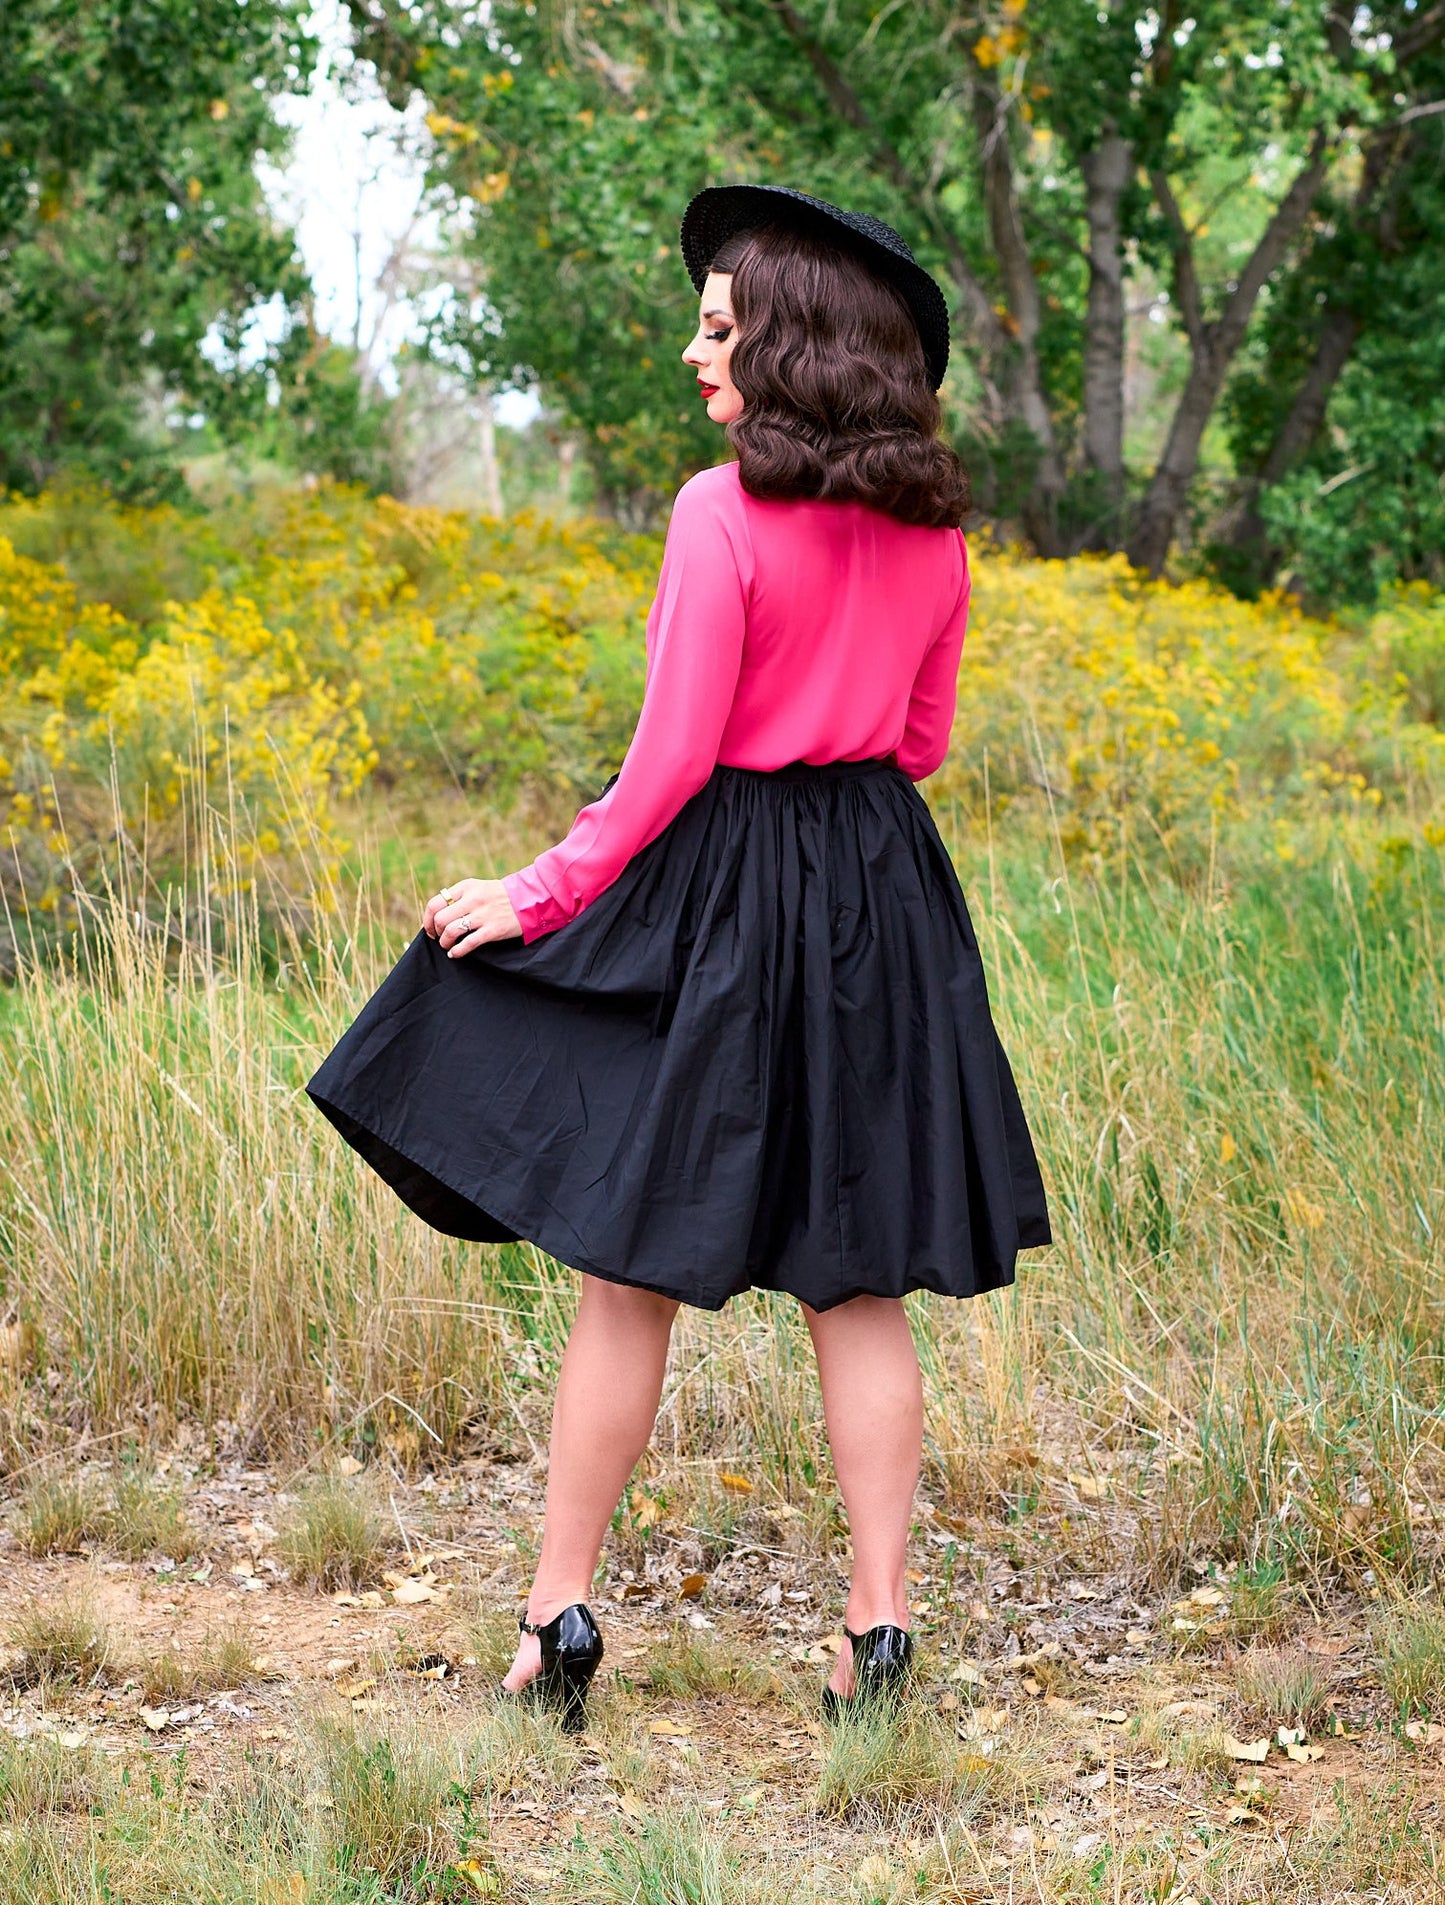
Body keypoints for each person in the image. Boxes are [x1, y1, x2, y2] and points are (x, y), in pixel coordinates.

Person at [307, 183, 1051, 1734]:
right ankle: (879, 1633)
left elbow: (665, 767)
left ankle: (556, 1617)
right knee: (856, 1285)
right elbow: (918, 745)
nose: (693, 352)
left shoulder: (720, 514)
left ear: (787, 343)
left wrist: (539, 890)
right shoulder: (936, 539)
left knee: (628, 1271)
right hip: (876, 900)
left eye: (717, 326)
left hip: (723, 894)